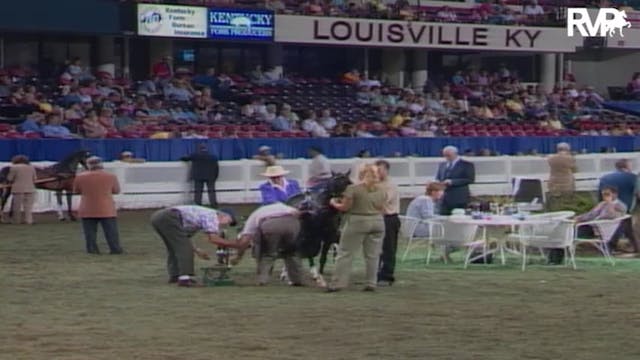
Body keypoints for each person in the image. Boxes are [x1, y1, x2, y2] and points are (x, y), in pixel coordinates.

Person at [327, 164, 385, 292]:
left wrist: (334, 203)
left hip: (358, 221)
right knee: (372, 255)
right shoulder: (382, 190)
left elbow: (345, 207)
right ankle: (371, 282)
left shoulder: (353, 189)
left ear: (361, 174)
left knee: (345, 253)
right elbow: (382, 208)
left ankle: (338, 283)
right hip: (378, 221)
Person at [150, 205, 242, 287]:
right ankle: (185, 278)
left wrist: (197, 250)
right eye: (229, 221)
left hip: (158, 217)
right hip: (169, 217)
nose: (226, 225)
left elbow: (185, 239)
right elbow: (214, 239)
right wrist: (237, 245)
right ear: (223, 215)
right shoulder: (212, 215)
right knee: (184, 249)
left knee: (174, 248)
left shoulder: (198, 220)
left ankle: (175, 275)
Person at [232, 202, 304, 286]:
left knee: (268, 253)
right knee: (291, 253)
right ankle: (297, 280)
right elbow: (297, 213)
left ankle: (262, 280)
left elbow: (245, 240)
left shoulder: (254, 216)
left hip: (270, 224)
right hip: (293, 222)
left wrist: (238, 256)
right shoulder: (283, 206)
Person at [72, 156, 123, 255]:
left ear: (88, 165)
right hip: (106, 208)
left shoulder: (80, 177)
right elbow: (116, 190)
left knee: (89, 233)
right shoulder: (111, 176)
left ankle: (92, 250)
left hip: (87, 208)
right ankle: (115, 249)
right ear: (101, 164)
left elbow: (76, 191)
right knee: (111, 231)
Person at [598, 159, 639, 254]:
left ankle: (634, 246)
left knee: (625, 227)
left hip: (608, 206)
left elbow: (600, 194)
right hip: (625, 207)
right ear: (626, 167)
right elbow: (637, 192)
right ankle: (610, 246)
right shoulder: (633, 177)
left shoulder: (605, 177)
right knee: (622, 226)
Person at [375, 160, 400, 286]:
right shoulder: (374, 184)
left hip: (389, 218)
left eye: (380, 170)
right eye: (376, 170)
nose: (378, 173)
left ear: (386, 170)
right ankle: (375, 273)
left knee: (388, 248)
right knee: (375, 248)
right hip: (376, 217)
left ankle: (387, 275)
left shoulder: (390, 185)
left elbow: (384, 199)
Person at [435, 145, 475, 215]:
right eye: (445, 155)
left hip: (459, 198)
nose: (446, 157)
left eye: (448, 155)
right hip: (444, 199)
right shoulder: (442, 165)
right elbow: (438, 178)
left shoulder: (466, 165)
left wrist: (452, 182)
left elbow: (470, 179)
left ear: (455, 154)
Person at [7, 155, 37, 225]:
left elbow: (10, 178)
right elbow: (35, 178)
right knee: (28, 207)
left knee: (17, 207)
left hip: (18, 189)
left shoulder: (14, 168)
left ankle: (16, 221)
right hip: (30, 188)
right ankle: (28, 220)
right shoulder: (31, 167)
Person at [546, 142, 576, 210]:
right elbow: (573, 167)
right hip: (567, 183)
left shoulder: (551, 158)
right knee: (567, 202)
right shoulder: (570, 158)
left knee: (556, 201)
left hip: (554, 182)